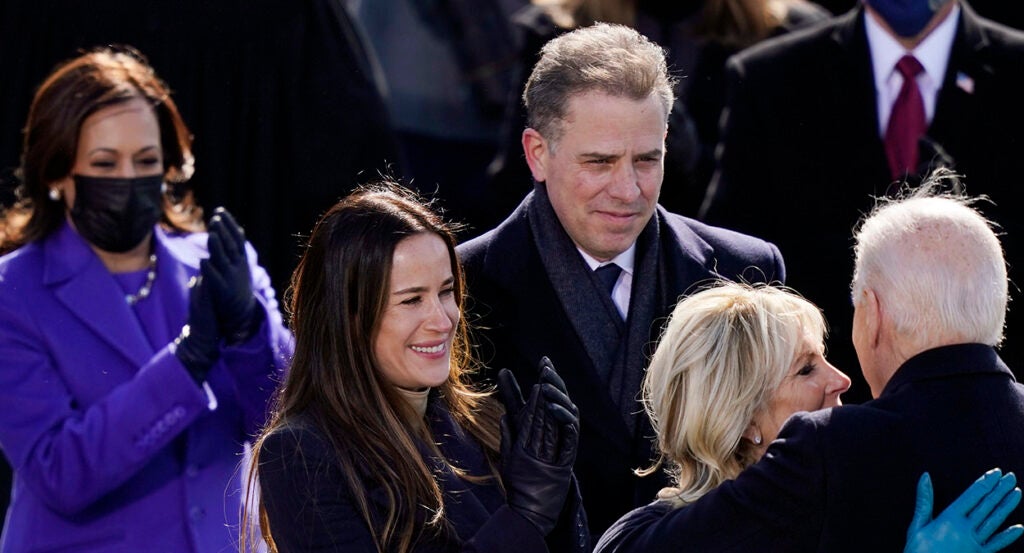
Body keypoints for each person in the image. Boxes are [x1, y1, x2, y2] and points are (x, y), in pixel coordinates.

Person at [456, 22, 786, 537]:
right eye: (600, 162)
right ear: (537, 153)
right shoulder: (461, 289)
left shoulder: (744, 271)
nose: (627, 189)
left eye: (647, 160)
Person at [589, 174, 1024, 552]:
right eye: (805, 368)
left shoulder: (832, 452)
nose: (842, 379)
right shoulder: (820, 461)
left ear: (871, 315)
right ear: (741, 416)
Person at [0, 47, 293, 552]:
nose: (128, 180)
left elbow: (290, 426)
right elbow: (59, 473)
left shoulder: (221, 262)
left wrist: (250, 331)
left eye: (146, 161)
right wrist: (188, 360)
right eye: (104, 163)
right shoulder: (13, 291)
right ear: (56, 173)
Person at [699, 0, 1024, 402]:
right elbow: (732, 265)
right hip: (826, 421)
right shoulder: (771, 78)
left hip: (994, 421)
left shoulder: (1016, 72)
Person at [248, 183, 589, 552]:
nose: (443, 320)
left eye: (445, 292)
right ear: (347, 318)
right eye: (412, 300)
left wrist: (560, 488)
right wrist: (524, 519)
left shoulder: (485, 424)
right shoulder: (302, 452)